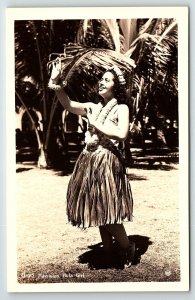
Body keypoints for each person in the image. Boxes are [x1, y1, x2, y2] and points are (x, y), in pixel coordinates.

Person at [48, 59, 135, 267]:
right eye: (101, 79)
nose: (102, 82)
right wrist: (56, 81)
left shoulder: (121, 108)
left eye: (107, 80)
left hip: (107, 160)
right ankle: (108, 250)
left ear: (117, 86)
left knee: (107, 206)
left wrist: (96, 124)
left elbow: (122, 134)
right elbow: (67, 104)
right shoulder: (91, 107)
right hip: (88, 160)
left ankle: (127, 247)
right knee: (96, 205)